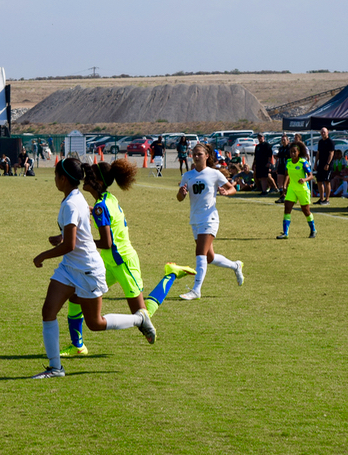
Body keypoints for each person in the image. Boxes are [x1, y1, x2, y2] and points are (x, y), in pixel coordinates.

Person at [31, 158, 156, 379]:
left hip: (88, 269)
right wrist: (63, 237)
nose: (54, 180)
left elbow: (70, 245)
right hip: (70, 267)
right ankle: (56, 368)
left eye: (55, 175)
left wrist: (43, 255)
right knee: (48, 311)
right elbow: (78, 234)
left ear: (62, 178)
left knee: (95, 324)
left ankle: (139, 319)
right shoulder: (76, 197)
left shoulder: (72, 202)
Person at [59, 159, 195, 356]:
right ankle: (78, 346)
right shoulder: (106, 199)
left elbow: (106, 242)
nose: (84, 181)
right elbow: (102, 215)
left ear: (96, 182)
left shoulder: (100, 207)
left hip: (123, 262)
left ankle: (171, 275)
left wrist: (76, 241)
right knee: (77, 296)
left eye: (89, 178)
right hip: (108, 261)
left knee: (141, 315)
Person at [176, 144, 245, 300]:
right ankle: (236, 265)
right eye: (194, 154)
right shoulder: (187, 175)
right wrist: (181, 193)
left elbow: (233, 188)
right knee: (209, 257)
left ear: (207, 156)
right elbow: (180, 198)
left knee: (200, 253)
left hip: (210, 218)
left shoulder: (214, 174)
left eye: (199, 154)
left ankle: (196, 290)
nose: (196, 156)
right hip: (195, 219)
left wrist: (227, 191)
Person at [276, 141, 317, 239]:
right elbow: (287, 175)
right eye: (291, 152)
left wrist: (305, 179)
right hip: (292, 189)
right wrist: (285, 185)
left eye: (294, 152)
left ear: (298, 152)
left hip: (303, 189)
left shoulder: (303, 162)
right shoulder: (288, 162)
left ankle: (313, 230)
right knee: (287, 209)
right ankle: (285, 233)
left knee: (306, 211)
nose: (293, 154)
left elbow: (311, 176)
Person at [314, 127, 335, 205]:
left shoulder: (330, 142)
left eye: (324, 132)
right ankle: (321, 199)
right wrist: (316, 163)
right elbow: (318, 153)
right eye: (322, 132)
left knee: (327, 181)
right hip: (321, 164)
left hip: (327, 165)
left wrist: (328, 164)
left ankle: (327, 199)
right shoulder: (320, 142)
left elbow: (331, 153)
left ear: (327, 133)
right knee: (319, 181)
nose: (323, 133)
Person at [274, 134, 291, 204]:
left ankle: (288, 196)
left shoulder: (290, 148)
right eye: (282, 140)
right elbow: (279, 158)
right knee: (280, 181)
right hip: (281, 166)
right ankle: (282, 196)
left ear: (288, 140)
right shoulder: (281, 148)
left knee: (287, 183)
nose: (283, 141)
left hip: (288, 167)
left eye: (284, 140)